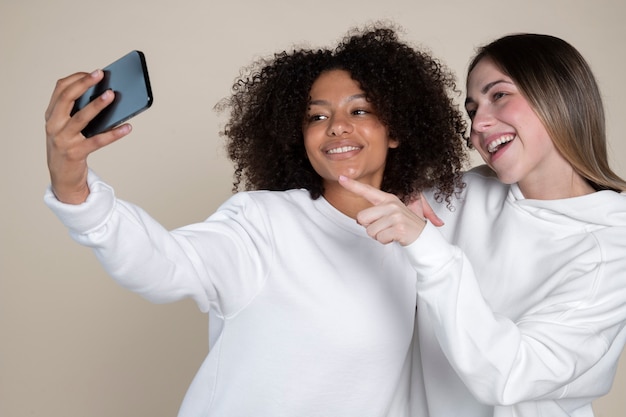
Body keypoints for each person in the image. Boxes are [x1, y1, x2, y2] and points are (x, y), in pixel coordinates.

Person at [43, 25, 468, 416]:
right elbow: (164, 266)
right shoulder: (263, 222)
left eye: (359, 111)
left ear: (395, 131)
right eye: (317, 116)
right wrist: (75, 189)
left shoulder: (421, 235)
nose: (337, 127)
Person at [339, 33, 626, 416]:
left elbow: (509, 376)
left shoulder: (612, 247)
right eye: (472, 110)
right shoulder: (462, 193)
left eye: (500, 96)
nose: (479, 125)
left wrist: (430, 250)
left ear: (558, 96)